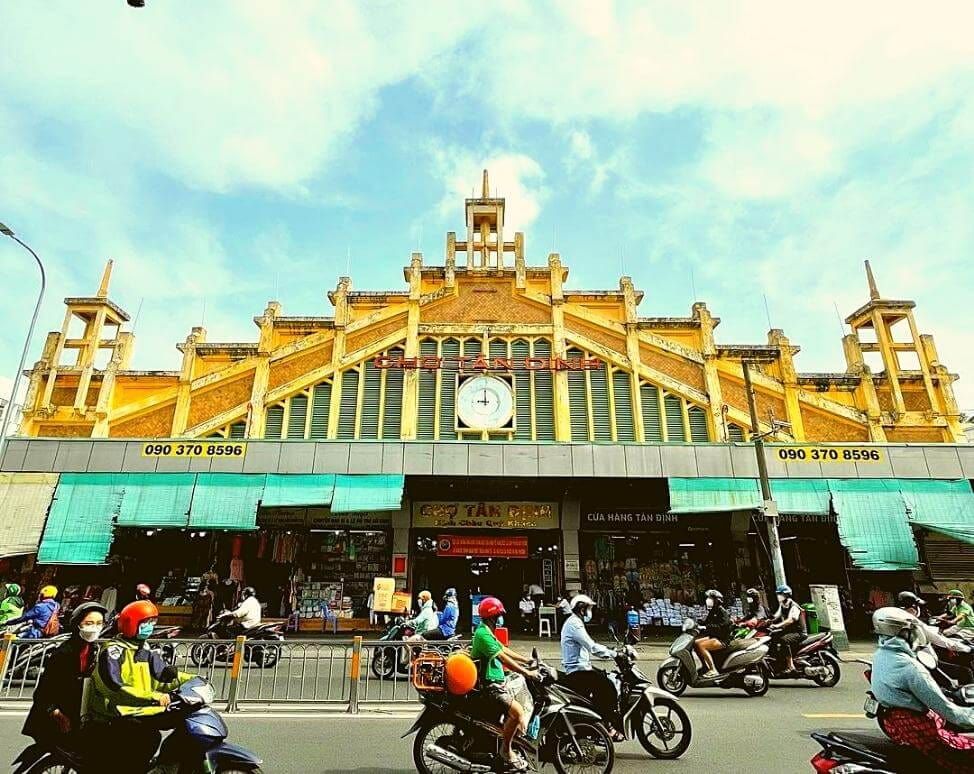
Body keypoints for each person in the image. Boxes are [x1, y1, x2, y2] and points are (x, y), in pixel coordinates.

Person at [90, 600, 194, 772]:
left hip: (139, 708)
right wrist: (155, 697)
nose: (150, 627)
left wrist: (193, 680)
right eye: (145, 623)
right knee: (147, 738)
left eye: (152, 623)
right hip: (116, 711)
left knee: (183, 721)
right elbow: (114, 686)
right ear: (131, 624)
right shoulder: (114, 651)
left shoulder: (144, 649)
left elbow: (163, 675)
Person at [871, 606, 974, 772]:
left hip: (896, 725)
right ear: (904, 633)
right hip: (918, 728)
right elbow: (947, 709)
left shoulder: (880, 655)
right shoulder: (910, 668)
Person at [22, 602, 107, 751]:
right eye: (89, 623)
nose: (94, 627)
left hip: (77, 713)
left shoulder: (94, 649)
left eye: (99, 623)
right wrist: (57, 715)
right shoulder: (63, 653)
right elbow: (44, 692)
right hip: (54, 717)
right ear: (77, 624)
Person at [470, 596, 538, 772]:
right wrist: (527, 672)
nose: (501, 618)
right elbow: (502, 657)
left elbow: (503, 649)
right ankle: (505, 750)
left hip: (499, 680)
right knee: (517, 712)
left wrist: (526, 660)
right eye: (499, 614)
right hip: (491, 685)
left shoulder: (486, 631)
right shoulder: (482, 634)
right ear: (492, 616)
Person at [559, 594, 623, 741]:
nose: (590, 612)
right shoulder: (574, 624)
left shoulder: (575, 622)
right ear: (581, 609)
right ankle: (606, 725)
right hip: (577, 672)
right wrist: (615, 654)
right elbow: (592, 647)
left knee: (608, 678)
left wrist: (613, 651)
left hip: (582, 668)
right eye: (589, 608)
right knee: (607, 688)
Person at [897, 591, 969, 655]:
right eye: (918, 606)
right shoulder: (911, 619)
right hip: (907, 654)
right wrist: (966, 649)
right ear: (912, 608)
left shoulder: (894, 614)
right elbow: (937, 639)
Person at [693, 589, 732, 678]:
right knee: (695, 643)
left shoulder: (722, 611)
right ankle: (705, 667)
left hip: (722, 639)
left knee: (702, 646)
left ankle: (713, 670)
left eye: (711, 598)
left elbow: (723, 625)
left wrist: (707, 627)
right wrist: (696, 623)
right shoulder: (713, 611)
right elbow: (706, 622)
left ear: (717, 600)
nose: (708, 600)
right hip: (714, 636)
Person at [769, 584, 806, 674]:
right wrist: (767, 620)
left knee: (784, 640)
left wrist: (777, 626)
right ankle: (778, 661)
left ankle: (790, 666)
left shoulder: (794, 606)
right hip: (789, 631)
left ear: (786, 595)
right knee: (772, 636)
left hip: (799, 632)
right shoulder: (783, 605)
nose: (778, 596)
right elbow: (776, 616)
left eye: (780, 594)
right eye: (778, 594)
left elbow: (791, 620)